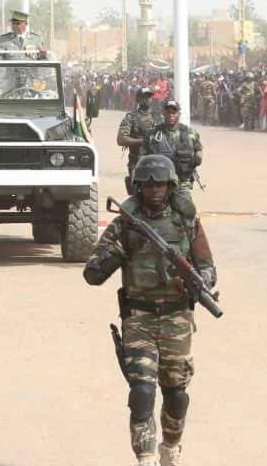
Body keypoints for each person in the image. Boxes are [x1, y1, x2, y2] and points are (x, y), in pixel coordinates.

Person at [82, 154, 217, 466]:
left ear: (170, 186)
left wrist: (195, 283)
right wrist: (124, 247)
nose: (155, 190)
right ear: (138, 187)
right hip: (138, 318)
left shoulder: (186, 222)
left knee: (176, 394)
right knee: (142, 393)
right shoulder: (125, 225)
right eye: (148, 184)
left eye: (160, 184)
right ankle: (145, 457)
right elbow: (93, 274)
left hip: (176, 317)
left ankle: (170, 447)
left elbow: (208, 268)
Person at [140, 101, 203, 197]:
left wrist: (191, 164)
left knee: (185, 205)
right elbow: (142, 157)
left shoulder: (190, 133)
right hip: (158, 183)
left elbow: (199, 153)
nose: (171, 115)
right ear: (163, 113)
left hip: (182, 183)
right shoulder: (153, 133)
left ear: (179, 114)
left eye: (174, 113)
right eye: (168, 112)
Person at [116, 87, 160, 196]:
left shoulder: (159, 117)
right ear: (138, 99)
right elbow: (121, 139)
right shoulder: (131, 117)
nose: (147, 99)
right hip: (138, 164)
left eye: (149, 96)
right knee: (139, 195)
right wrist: (143, 141)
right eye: (143, 97)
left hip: (157, 163)